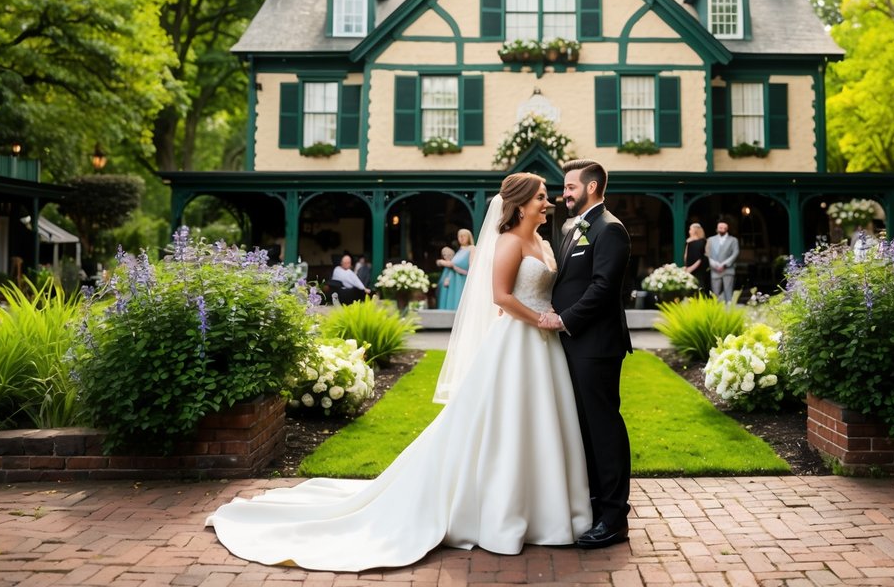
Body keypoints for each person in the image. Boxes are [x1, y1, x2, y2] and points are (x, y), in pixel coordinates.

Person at [206, 172, 590, 571]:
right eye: (543, 197)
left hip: (542, 347)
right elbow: (501, 296)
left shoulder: (543, 242)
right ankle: (502, 514)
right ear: (523, 202)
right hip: (520, 339)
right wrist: (543, 321)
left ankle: (544, 510)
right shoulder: (510, 242)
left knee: (540, 424)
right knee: (505, 427)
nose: (550, 202)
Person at [539, 159, 632, 549]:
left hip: (596, 346)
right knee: (583, 430)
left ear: (591, 188)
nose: (565, 194)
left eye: (571, 187)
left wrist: (564, 320)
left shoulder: (610, 230)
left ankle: (614, 518)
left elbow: (603, 288)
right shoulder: (569, 227)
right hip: (573, 344)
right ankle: (594, 505)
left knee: (604, 428)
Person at [435, 228, 473, 310]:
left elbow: (470, 264)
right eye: (459, 236)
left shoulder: (471, 248)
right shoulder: (460, 250)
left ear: (469, 237)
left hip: (462, 278)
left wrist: (442, 262)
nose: (461, 238)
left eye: (464, 236)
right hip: (454, 279)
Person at [706, 221, 740, 305]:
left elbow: (735, 253)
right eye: (720, 227)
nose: (721, 229)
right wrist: (714, 264)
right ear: (717, 228)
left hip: (728, 269)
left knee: (728, 293)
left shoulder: (733, 240)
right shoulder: (710, 240)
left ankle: (729, 312)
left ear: (727, 229)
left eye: (723, 227)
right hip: (714, 269)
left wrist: (724, 264)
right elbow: (707, 254)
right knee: (715, 294)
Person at [683, 222, 708, 291]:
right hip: (689, 268)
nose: (689, 231)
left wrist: (690, 269)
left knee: (698, 287)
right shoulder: (689, 241)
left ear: (695, 230)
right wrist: (686, 266)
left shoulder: (701, 242)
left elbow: (699, 259)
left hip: (697, 270)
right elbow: (686, 255)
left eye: (690, 229)